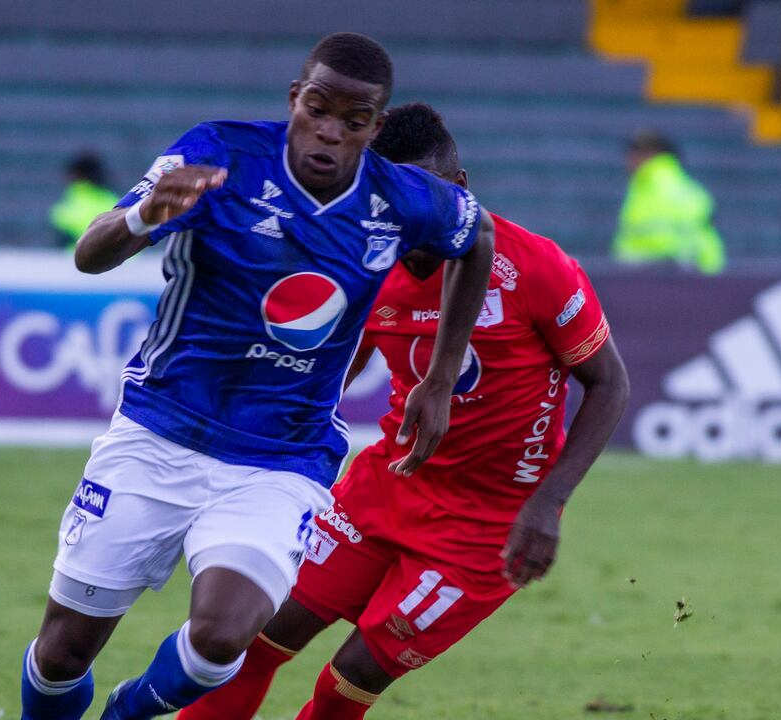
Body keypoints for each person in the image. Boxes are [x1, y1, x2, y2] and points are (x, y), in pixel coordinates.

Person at [21, 34, 495, 720]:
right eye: (317, 109)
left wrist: (441, 375)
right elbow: (90, 255)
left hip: (280, 457)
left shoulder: (400, 199)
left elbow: (474, 238)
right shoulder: (221, 154)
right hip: (161, 429)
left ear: (375, 128)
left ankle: (129, 713)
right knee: (62, 653)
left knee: (221, 640)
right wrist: (143, 215)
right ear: (293, 99)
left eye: (353, 121)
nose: (329, 133)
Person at [179, 103, 629, 720]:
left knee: (348, 681)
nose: (414, 214)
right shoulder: (364, 262)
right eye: (395, 193)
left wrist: (548, 502)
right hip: (384, 487)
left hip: (482, 527)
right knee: (252, 635)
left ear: (461, 188)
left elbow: (609, 383)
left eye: (430, 191)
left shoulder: (534, 267)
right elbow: (333, 374)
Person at [612, 130, 725, 275]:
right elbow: (710, 246)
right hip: (692, 279)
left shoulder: (645, 189)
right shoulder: (695, 192)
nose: (628, 161)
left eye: (634, 154)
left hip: (650, 281)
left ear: (649, 155)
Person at [50, 152, 120, 248]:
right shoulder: (115, 201)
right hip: (125, 261)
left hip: (76, 261)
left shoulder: (67, 207)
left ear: (76, 175)